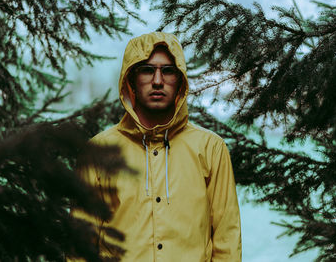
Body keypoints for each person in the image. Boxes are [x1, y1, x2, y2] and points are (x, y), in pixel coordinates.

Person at [73, 32, 241, 262]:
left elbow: (227, 241)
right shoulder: (99, 151)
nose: (158, 81)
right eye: (147, 70)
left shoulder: (210, 148)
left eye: (168, 71)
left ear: (180, 80)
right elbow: (81, 244)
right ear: (131, 80)